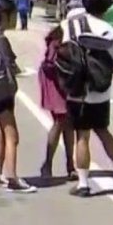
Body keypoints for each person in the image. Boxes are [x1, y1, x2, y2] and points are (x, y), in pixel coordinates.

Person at [62, 0, 113, 197]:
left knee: (82, 136)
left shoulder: (70, 26)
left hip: (77, 90)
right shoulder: (110, 32)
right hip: (101, 91)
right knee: (103, 131)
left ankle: (83, 184)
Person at [0, 20, 36, 193]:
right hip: (3, 91)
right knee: (12, 136)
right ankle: (12, 178)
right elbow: (10, 64)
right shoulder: (1, 39)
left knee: (1, 133)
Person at [37, 24, 75, 180]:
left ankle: (70, 164)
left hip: (62, 82)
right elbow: (53, 64)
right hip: (56, 82)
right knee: (60, 121)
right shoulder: (60, 38)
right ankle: (48, 164)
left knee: (68, 124)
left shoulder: (64, 34)